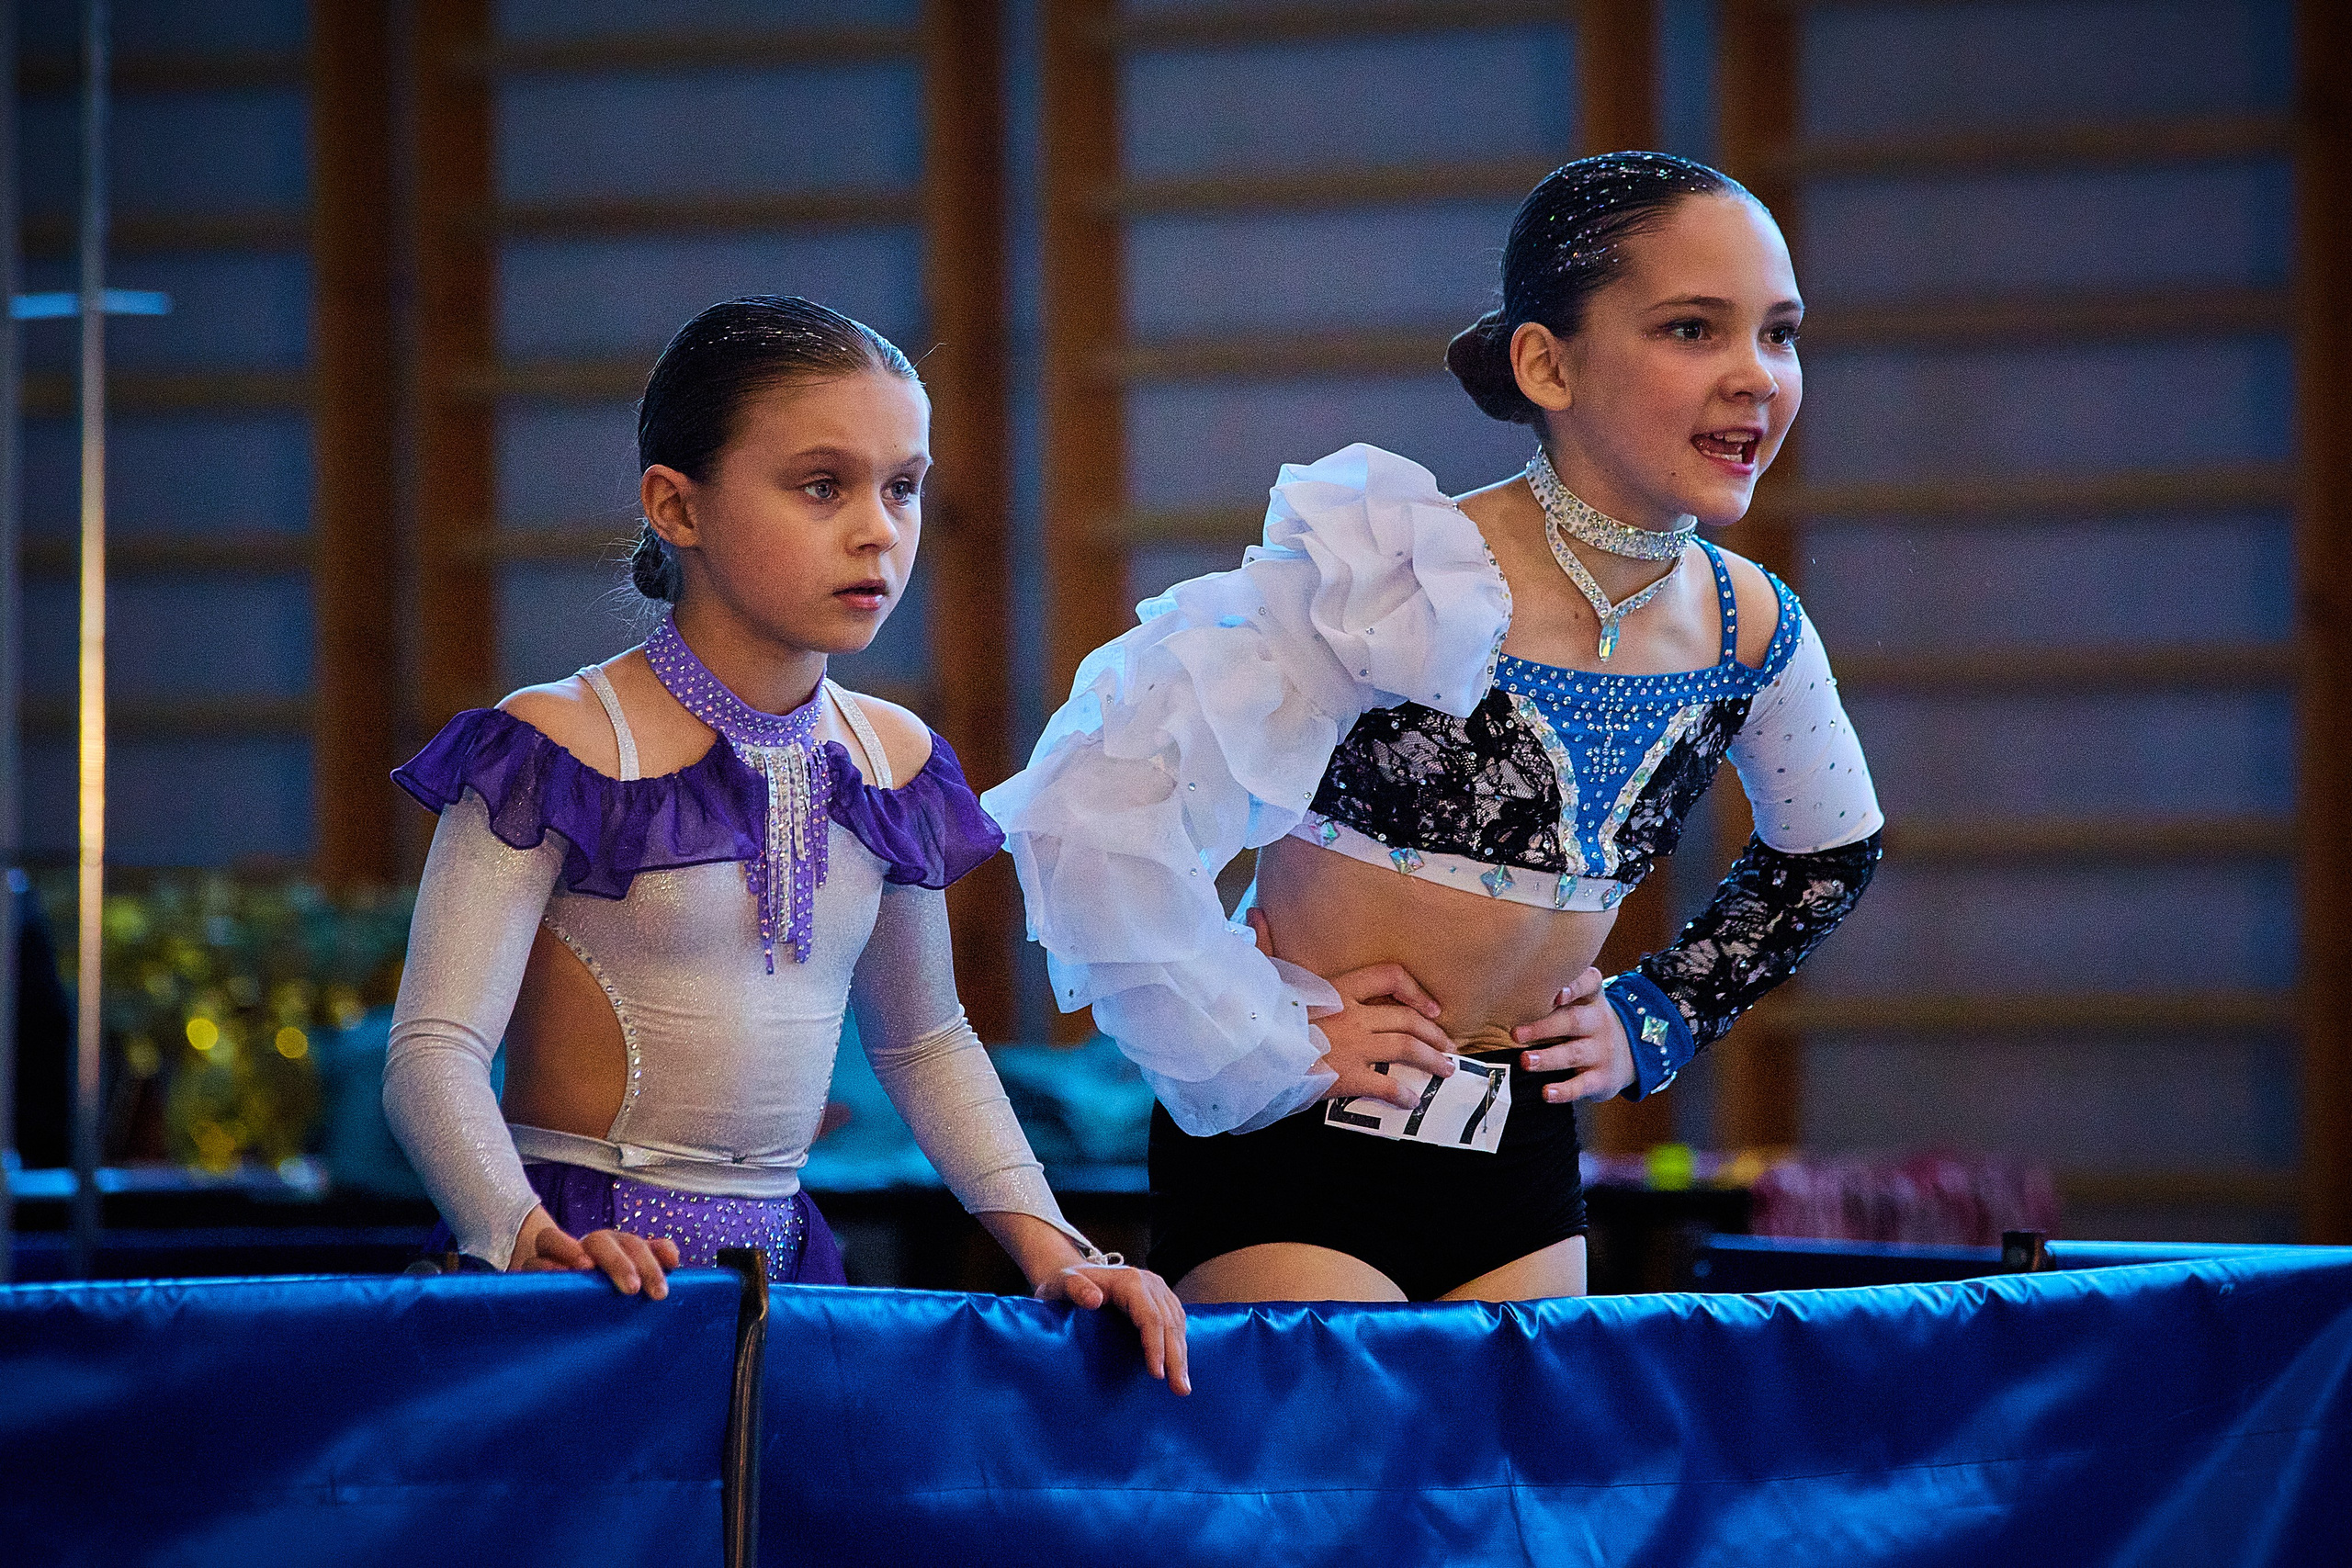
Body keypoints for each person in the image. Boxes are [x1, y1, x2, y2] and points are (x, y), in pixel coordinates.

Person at [986, 152, 1884, 1305]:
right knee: (1332, 1474)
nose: (1756, 377)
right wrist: (1263, 1039)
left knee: (1498, 1483)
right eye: (1693, 330)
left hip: (1519, 1157)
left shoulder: (1754, 628)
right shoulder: (1400, 570)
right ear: (1545, 363)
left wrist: (1657, 1016)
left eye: (1781, 333)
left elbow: (1829, 851)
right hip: (1299, 1138)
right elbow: (1094, 803)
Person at [385, 296, 1187, 1392]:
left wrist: (1055, 1246)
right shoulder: (558, 742)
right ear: (676, 505)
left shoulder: (893, 756)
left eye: (902, 486)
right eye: (822, 486)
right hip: (578, 1271)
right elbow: (431, 1051)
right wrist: (521, 1236)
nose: (878, 530)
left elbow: (925, 1043)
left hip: (794, 1271)